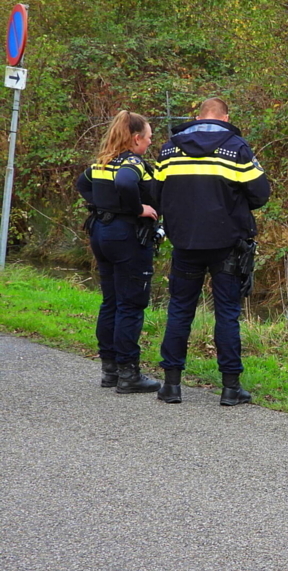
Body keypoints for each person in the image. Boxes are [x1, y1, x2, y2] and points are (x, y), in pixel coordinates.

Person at [153, 97, 270, 405]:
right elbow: (260, 193)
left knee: (179, 309)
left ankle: (171, 385)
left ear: (197, 116)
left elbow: (156, 191)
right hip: (227, 243)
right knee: (227, 314)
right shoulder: (237, 148)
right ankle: (231, 388)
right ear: (225, 117)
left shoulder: (169, 148)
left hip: (184, 242)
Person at [76, 110, 161, 393]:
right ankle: (129, 373)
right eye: (148, 138)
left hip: (101, 232)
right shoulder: (132, 163)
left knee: (110, 301)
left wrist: (103, 205)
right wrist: (137, 209)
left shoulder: (102, 162)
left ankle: (109, 369)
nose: (150, 143)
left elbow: (82, 184)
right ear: (136, 138)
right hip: (126, 236)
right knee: (131, 303)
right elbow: (126, 182)